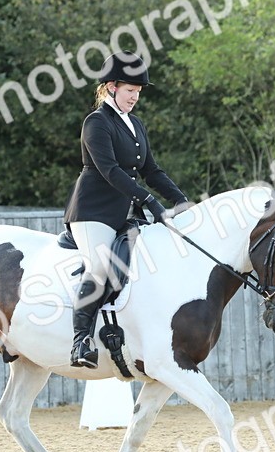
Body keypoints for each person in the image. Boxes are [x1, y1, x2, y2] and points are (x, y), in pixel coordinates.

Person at [63, 51, 189, 369]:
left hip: (124, 214)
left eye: (138, 91)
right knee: (100, 267)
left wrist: (181, 201)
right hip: (93, 212)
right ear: (111, 88)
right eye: (129, 90)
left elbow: (152, 170)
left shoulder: (135, 125)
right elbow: (110, 171)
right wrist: (149, 201)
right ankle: (81, 343)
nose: (134, 97)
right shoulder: (96, 122)